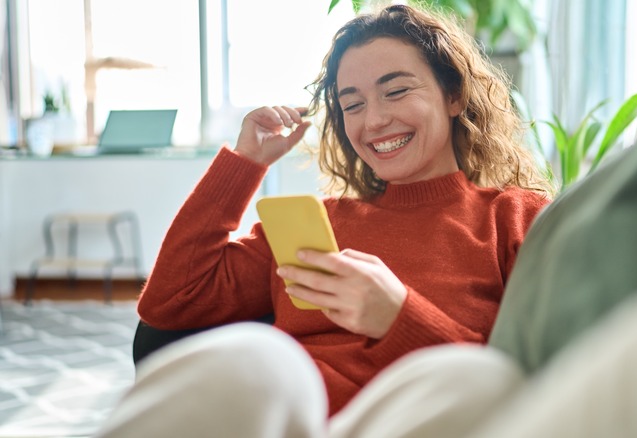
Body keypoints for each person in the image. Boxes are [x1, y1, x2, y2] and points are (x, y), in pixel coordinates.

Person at [98, 4, 551, 436]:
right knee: (261, 356)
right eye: (352, 104)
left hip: (418, 421)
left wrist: (399, 318)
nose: (373, 120)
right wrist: (244, 163)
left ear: (454, 96)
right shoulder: (321, 225)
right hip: (295, 422)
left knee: (483, 381)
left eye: (396, 91)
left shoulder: (515, 218)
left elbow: (529, 384)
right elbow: (170, 303)